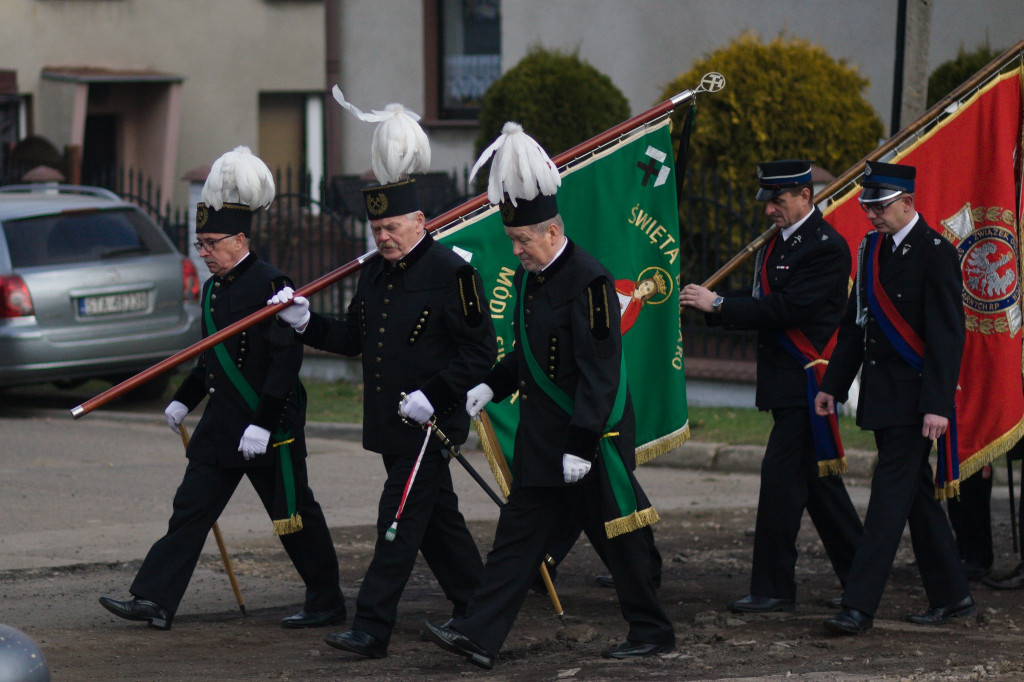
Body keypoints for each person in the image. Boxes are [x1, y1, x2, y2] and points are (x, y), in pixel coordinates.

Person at [422, 122, 674, 670]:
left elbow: (601, 372)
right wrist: (491, 383)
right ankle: (479, 635)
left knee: (622, 539)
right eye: (512, 241)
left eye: (523, 241)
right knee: (516, 541)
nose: (516, 251)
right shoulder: (533, 279)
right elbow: (528, 355)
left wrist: (581, 444)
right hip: (544, 441)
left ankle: (652, 629)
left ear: (553, 231)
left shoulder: (590, 282)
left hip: (589, 438)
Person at [270, 93, 495, 660]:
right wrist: (305, 324)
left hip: (430, 425)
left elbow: (480, 353)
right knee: (437, 522)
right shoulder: (373, 275)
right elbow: (353, 338)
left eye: (392, 227)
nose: (382, 237)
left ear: (419, 222)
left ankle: (371, 627)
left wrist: (435, 396)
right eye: (376, 229)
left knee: (396, 520)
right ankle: (482, 607)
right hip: (390, 423)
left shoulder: (453, 274)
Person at [99, 147, 344, 631]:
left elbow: (285, 360)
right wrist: (183, 399)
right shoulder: (213, 289)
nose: (203, 252)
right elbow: (212, 356)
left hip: (268, 425)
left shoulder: (271, 283)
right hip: (221, 425)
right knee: (190, 510)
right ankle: (154, 599)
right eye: (200, 243)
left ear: (239, 239)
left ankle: (326, 601)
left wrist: (263, 424)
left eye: (211, 243)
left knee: (293, 516)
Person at [679, 159, 863, 614]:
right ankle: (863, 578)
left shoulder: (826, 247)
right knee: (820, 488)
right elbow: (761, 297)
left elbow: (786, 309)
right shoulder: (779, 240)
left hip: (807, 384)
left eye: (777, 201)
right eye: (767, 202)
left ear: (805, 196)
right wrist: (710, 303)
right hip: (786, 384)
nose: (768, 210)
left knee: (780, 484)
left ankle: (773, 587)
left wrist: (719, 304)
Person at [815, 161, 973, 635]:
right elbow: (855, 325)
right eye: (867, 207)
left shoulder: (936, 252)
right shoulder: (871, 249)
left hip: (916, 402)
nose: (871, 215)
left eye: (879, 207)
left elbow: (947, 336)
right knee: (916, 498)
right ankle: (953, 595)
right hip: (882, 398)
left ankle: (858, 605)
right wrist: (832, 385)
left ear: (907, 202)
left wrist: (938, 405)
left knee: (886, 502)